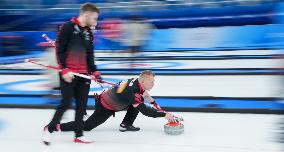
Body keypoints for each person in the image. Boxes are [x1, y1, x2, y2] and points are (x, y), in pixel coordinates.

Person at [44, 70, 177, 144]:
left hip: (117, 101)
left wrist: (152, 101)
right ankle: (55, 126)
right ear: (143, 81)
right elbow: (146, 112)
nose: (153, 84)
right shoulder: (132, 92)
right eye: (151, 81)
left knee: (138, 101)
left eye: (154, 81)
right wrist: (164, 115)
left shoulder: (136, 82)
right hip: (105, 106)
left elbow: (144, 94)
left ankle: (125, 124)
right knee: (87, 126)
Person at [42, 3, 101, 145]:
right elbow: (59, 50)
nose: (96, 22)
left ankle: (79, 135)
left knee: (82, 106)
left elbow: (90, 55)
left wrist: (95, 72)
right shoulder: (67, 27)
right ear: (86, 14)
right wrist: (64, 69)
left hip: (83, 75)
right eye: (94, 18)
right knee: (66, 102)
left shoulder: (88, 33)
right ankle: (49, 129)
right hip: (68, 73)